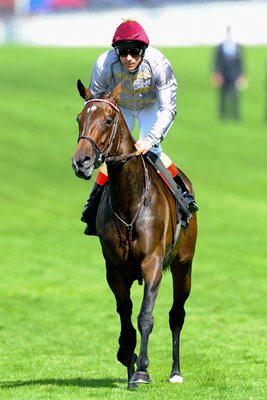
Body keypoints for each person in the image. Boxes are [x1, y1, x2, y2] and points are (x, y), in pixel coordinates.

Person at [81, 19, 198, 235]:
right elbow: (94, 103)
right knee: (113, 154)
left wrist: (150, 138)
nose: (128, 58)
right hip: (120, 106)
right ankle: (92, 205)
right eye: (122, 52)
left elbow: (168, 109)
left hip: (149, 106)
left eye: (134, 52)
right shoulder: (103, 64)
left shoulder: (159, 63)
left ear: (143, 50)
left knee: (152, 150)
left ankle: (181, 194)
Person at [211, 26, 246, 120]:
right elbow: (216, 61)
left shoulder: (238, 47)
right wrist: (217, 74)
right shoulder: (220, 47)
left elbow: (241, 62)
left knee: (235, 95)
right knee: (222, 96)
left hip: (234, 75)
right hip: (223, 74)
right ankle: (222, 115)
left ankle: (236, 115)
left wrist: (242, 75)